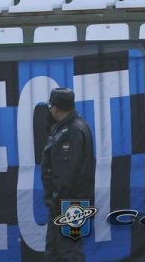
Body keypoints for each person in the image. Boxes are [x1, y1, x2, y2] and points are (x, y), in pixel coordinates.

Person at [41, 88, 95, 262]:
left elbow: (67, 176)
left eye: (51, 106)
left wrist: (58, 205)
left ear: (56, 107)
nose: (50, 110)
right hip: (65, 204)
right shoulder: (73, 127)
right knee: (54, 253)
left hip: (68, 205)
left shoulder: (70, 133)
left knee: (69, 253)